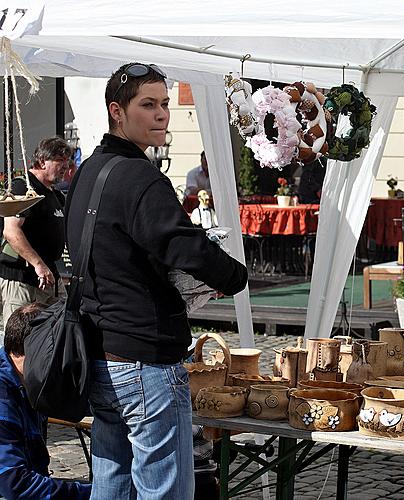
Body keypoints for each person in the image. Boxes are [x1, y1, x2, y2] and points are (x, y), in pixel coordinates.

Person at [66, 62, 248, 499]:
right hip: (143, 358)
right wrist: (233, 276)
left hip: (100, 354)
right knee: (164, 490)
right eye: (148, 105)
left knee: (111, 482)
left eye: (164, 103)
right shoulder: (140, 177)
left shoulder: (88, 171)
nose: (162, 114)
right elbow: (183, 246)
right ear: (117, 111)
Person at [0, 303, 91, 499]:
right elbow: (14, 484)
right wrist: (91, 493)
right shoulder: (3, 394)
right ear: (33, 348)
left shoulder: (27, 382)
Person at [0, 137, 71, 327]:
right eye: (59, 160)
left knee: (62, 327)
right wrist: (38, 265)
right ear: (41, 161)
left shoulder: (55, 195)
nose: (65, 165)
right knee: (19, 338)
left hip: (49, 277)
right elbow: (11, 231)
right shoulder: (24, 186)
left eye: (67, 160)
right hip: (22, 279)